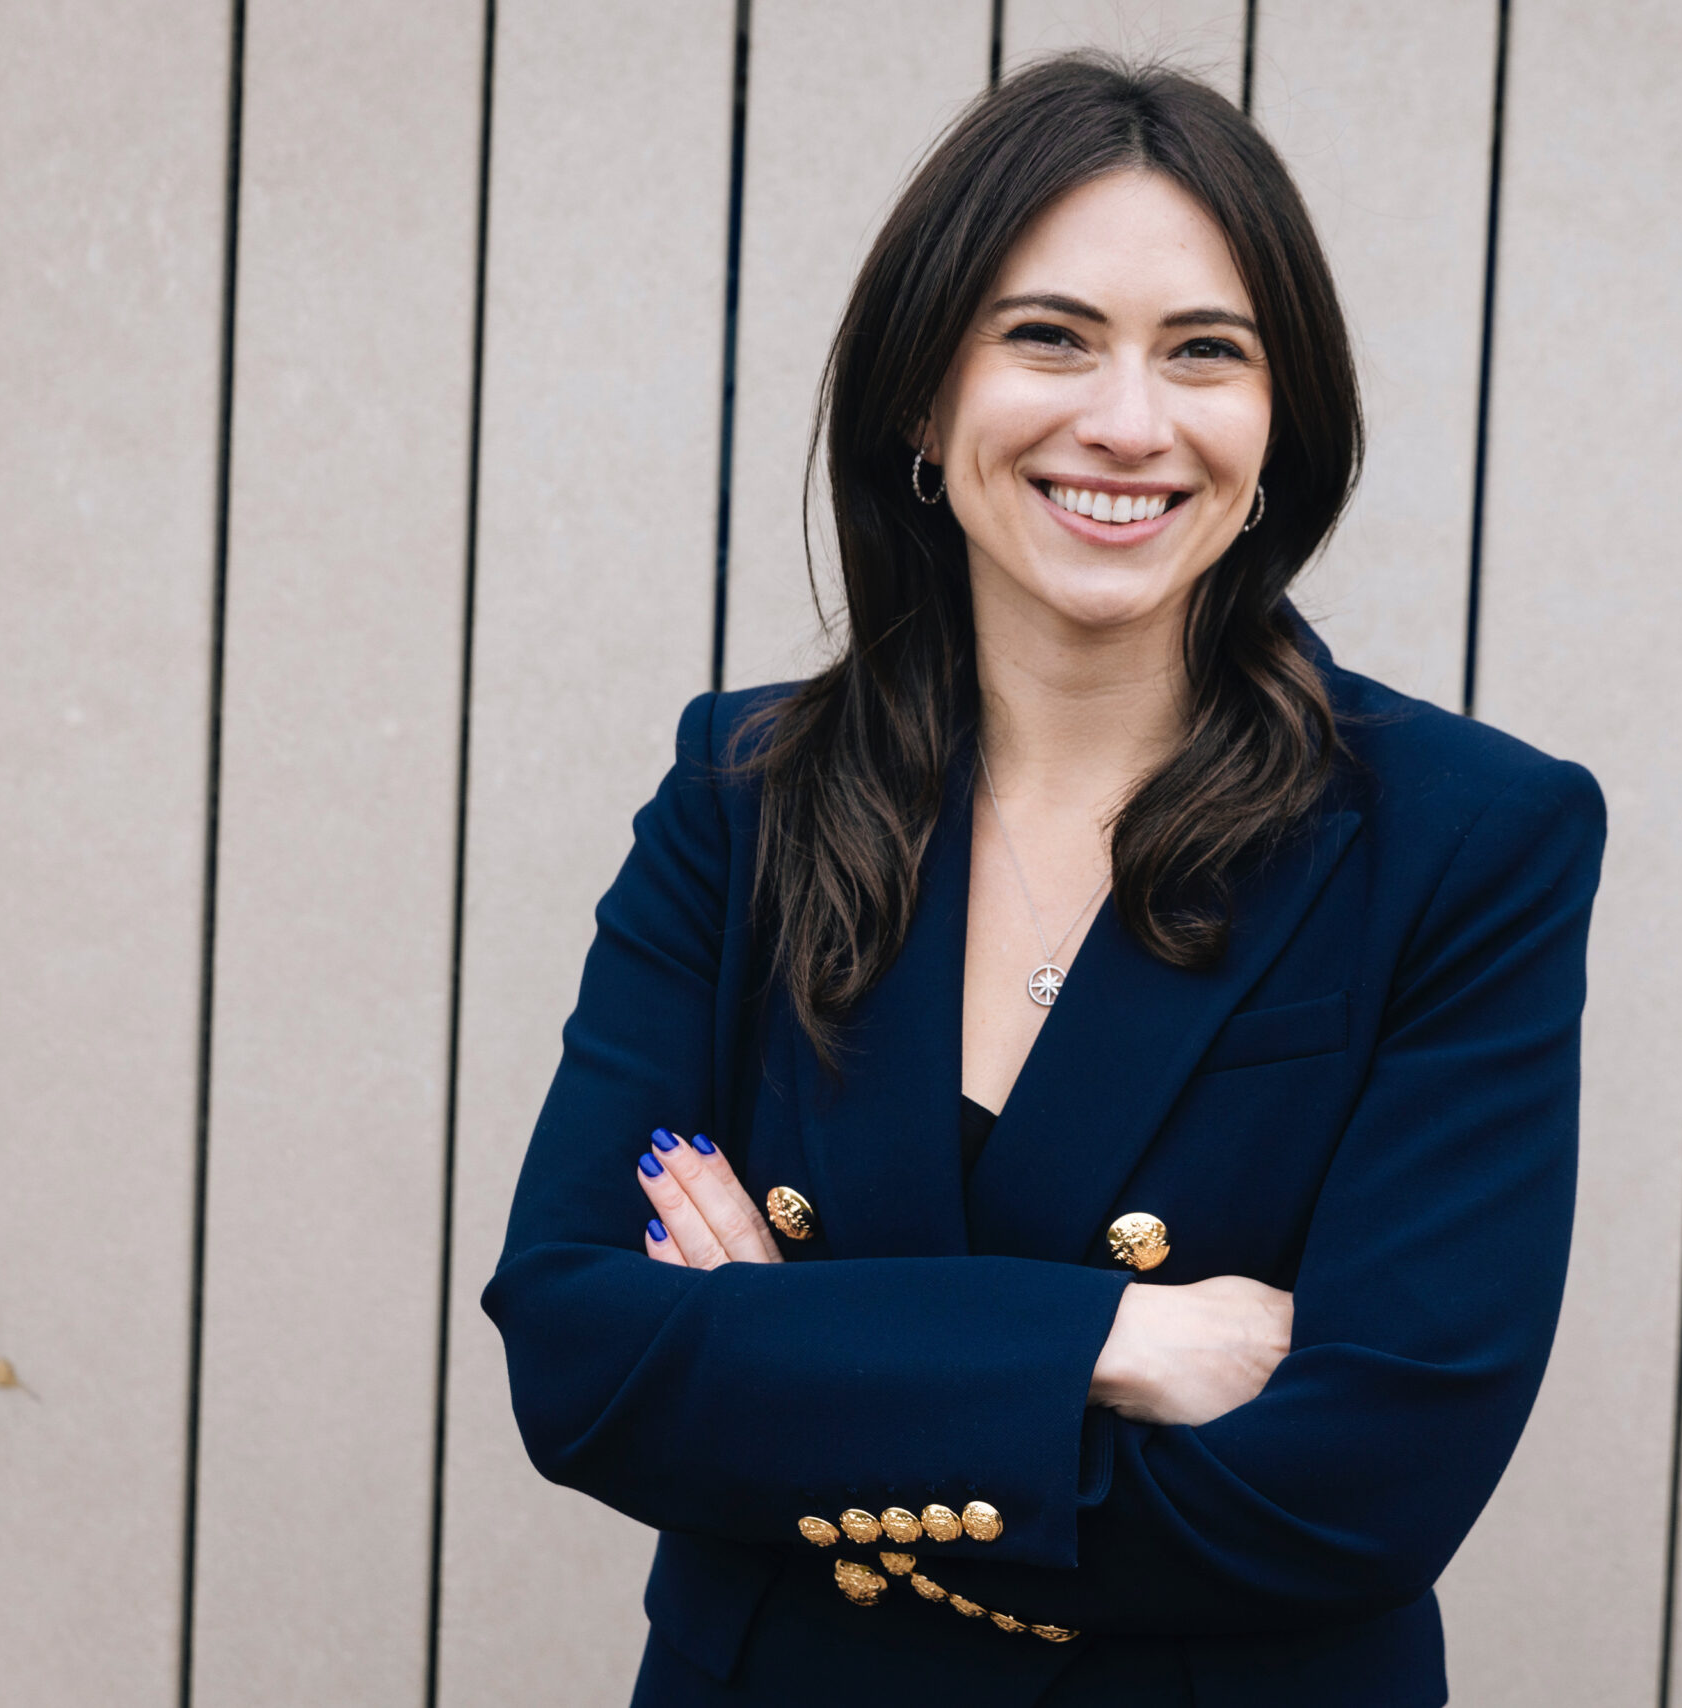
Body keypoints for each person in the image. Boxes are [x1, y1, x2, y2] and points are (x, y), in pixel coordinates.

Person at [484, 53, 1604, 1708]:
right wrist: (1107, 1345)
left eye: (1205, 354)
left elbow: (1357, 1494)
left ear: (1278, 426)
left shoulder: (1464, 837)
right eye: (1050, 337)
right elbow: (580, 1360)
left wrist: (794, 1365)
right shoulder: (746, 798)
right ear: (923, 405)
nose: (1129, 423)